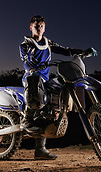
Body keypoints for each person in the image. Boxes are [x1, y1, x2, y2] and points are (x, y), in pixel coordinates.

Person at [19, 15, 87, 160]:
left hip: (45, 79)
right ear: (31, 27)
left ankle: (40, 149)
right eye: (36, 26)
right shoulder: (25, 45)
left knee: (53, 102)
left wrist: (81, 52)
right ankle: (27, 118)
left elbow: (64, 50)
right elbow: (25, 61)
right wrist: (31, 69)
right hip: (31, 78)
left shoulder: (47, 43)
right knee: (35, 88)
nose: (39, 28)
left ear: (45, 27)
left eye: (41, 26)